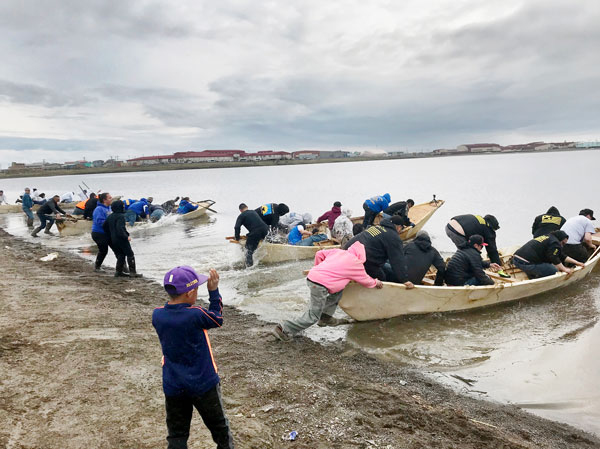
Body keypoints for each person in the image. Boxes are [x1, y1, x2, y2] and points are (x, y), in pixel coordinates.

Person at [152, 267, 234, 449]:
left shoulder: (157, 315)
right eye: (197, 288)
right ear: (190, 293)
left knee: (177, 435)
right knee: (220, 428)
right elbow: (217, 318)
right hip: (203, 383)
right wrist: (213, 292)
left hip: (173, 384)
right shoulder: (196, 314)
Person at [272, 242, 384, 340]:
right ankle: (283, 329)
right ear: (362, 255)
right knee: (313, 316)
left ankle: (325, 317)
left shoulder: (338, 252)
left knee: (338, 290)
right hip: (319, 285)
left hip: (314, 278)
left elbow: (319, 254)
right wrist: (376, 282)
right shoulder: (356, 263)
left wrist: (319, 268)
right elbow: (365, 281)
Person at [344, 215, 414, 288]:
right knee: (382, 278)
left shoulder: (375, 227)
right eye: (401, 228)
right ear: (399, 227)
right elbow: (397, 260)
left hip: (348, 251)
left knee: (383, 269)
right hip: (365, 259)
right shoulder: (393, 237)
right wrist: (404, 279)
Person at [513, 230, 584, 279]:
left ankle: (532, 275)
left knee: (548, 264)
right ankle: (537, 279)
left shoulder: (548, 237)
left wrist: (577, 262)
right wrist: (565, 269)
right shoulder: (555, 242)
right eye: (562, 243)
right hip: (524, 263)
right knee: (553, 270)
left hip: (516, 259)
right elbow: (553, 257)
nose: (562, 246)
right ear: (560, 239)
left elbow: (561, 256)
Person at [102, 200, 141, 277]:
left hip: (113, 239)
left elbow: (104, 227)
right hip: (121, 239)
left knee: (121, 255)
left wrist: (111, 234)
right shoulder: (121, 216)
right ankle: (133, 273)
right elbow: (120, 229)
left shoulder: (110, 216)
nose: (123, 207)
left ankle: (118, 272)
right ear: (119, 207)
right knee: (130, 254)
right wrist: (126, 237)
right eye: (122, 206)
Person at [91, 193, 114, 271]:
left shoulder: (110, 208)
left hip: (108, 233)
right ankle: (97, 267)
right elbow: (100, 221)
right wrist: (111, 224)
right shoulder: (99, 209)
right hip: (98, 233)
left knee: (118, 249)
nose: (112, 199)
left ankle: (123, 268)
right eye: (110, 198)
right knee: (104, 250)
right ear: (104, 200)